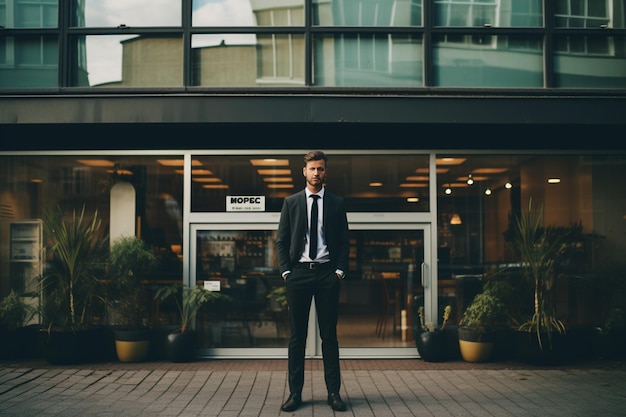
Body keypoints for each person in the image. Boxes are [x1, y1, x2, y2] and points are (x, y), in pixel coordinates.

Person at [276, 150, 350, 412]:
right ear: (303, 171)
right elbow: (281, 241)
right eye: (312, 168)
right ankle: (295, 393)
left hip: (327, 274)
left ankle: (333, 393)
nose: (316, 173)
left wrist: (339, 271)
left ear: (325, 172)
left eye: (320, 168)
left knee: (329, 336)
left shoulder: (336, 203)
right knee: (297, 336)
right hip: (299, 274)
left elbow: (344, 241)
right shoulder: (291, 202)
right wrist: (287, 271)